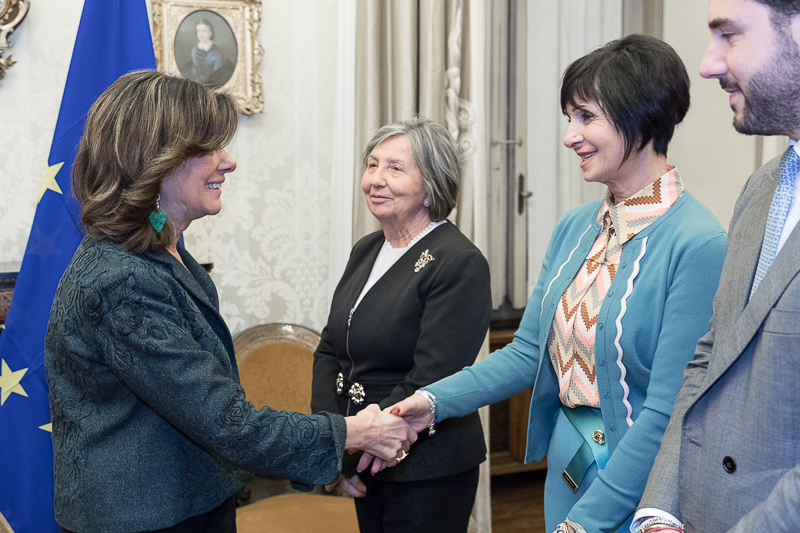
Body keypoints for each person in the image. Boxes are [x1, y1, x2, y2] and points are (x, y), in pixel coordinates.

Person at [44, 70, 416, 533]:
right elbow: (227, 423)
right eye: (209, 149)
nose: (229, 162)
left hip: (191, 503)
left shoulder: (162, 252)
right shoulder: (121, 280)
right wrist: (356, 433)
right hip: (144, 520)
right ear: (154, 161)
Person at [387, 35, 727, 533]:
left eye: (586, 117)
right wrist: (433, 401)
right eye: (570, 118)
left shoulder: (698, 243)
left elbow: (665, 412)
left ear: (643, 116)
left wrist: (584, 524)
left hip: (639, 483)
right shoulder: (575, 227)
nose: (570, 136)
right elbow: (528, 353)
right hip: (567, 470)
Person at [633, 1, 800, 532]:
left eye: (729, 35)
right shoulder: (762, 187)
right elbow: (711, 355)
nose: (707, 64)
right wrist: (660, 507)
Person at [310, 117, 491, 532]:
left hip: (425, 467)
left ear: (432, 184)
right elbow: (329, 347)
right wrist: (334, 442)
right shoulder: (368, 247)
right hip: (361, 457)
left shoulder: (458, 262)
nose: (375, 179)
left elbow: (433, 375)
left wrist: (352, 452)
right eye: (372, 165)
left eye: (394, 168)